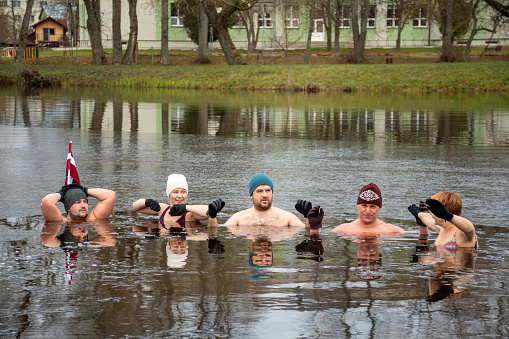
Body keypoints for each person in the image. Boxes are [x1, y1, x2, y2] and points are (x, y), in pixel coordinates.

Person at [225, 173, 323, 228]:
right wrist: (212, 216)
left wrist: (308, 218)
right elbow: (215, 230)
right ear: (251, 195)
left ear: (272, 192)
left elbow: (310, 233)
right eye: (259, 191)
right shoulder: (238, 218)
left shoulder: (287, 218)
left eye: (268, 190)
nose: (264, 195)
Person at [132, 173, 225, 228]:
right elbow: (136, 207)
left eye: (183, 192)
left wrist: (185, 207)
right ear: (169, 194)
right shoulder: (163, 209)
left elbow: (208, 210)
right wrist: (147, 202)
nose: (180, 196)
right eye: (175, 192)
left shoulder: (190, 214)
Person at [408, 191, 478, 250]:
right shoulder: (442, 229)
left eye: (434, 210)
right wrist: (418, 214)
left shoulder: (461, 233)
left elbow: (470, 229)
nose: (430, 213)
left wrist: (448, 216)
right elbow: (428, 219)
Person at [332, 183, 405, 236]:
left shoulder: (392, 231)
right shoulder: (343, 229)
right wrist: (319, 228)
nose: (367, 211)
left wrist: (417, 224)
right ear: (358, 206)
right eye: (364, 206)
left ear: (379, 208)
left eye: (372, 206)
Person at [41, 183, 116, 222]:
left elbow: (111, 195)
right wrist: (62, 193)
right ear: (68, 208)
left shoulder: (92, 219)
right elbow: (47, 202)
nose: (83, 205)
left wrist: (84, 190)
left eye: (85, 202)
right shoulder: (60, 222)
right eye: (78, 202)